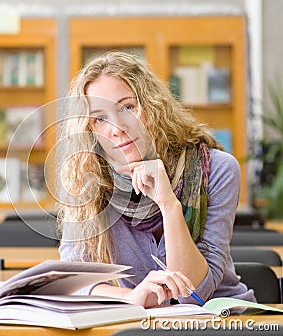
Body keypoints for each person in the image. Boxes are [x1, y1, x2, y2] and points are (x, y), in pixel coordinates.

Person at [56, 51, 255, 308]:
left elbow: (194, 292)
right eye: (100, 118)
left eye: (127, 107)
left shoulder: (217, 168)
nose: (117, 128)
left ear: (152, 107)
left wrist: (168, 204)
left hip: (221, 320)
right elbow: (70, 279)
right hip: (143, 320)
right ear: (90, 129)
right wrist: (133, 296)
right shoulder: (88, 178)